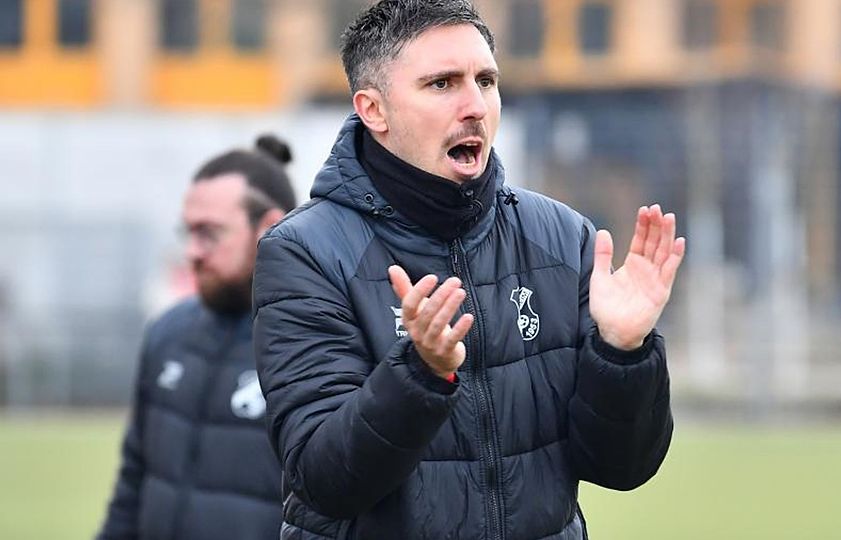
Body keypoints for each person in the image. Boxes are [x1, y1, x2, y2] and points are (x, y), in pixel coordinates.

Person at [253, 1, 686, 538]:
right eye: (442, 84)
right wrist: (418, 374)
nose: (476, 105)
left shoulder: (560, 238)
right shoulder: (305, 253)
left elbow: (622, 468)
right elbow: (324, 479)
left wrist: (622, 353)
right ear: (374, 109)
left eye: (486, 81)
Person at [97, 135, 297, 540]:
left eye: (209, 233)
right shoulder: (167, 334)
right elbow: (133, 484)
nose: (192, 251)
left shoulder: (315, 346)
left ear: (270, 228)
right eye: (187, 233)